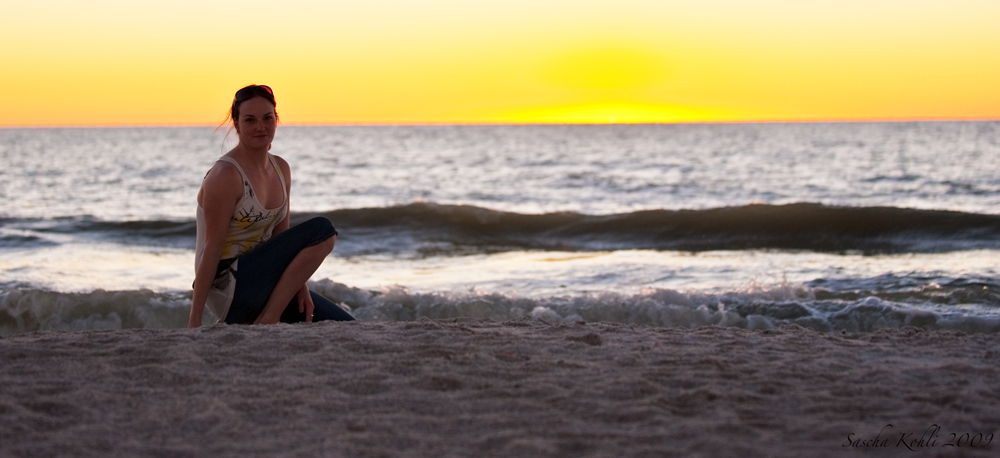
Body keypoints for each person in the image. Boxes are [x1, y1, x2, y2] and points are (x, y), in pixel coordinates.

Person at [189, 84, 355, 327]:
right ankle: (268, 319)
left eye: (267, 118)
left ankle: (269, 314)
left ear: (277, 120)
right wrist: (194, 320)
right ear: (236, 124)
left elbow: (282, 242)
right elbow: (211, 249)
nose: (260, 127)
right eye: (250, 120)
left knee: (347, 325)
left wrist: (300, 287)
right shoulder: (225, 175)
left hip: (265, 286)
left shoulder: (281, 169)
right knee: (322, 230)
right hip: (230, 291)